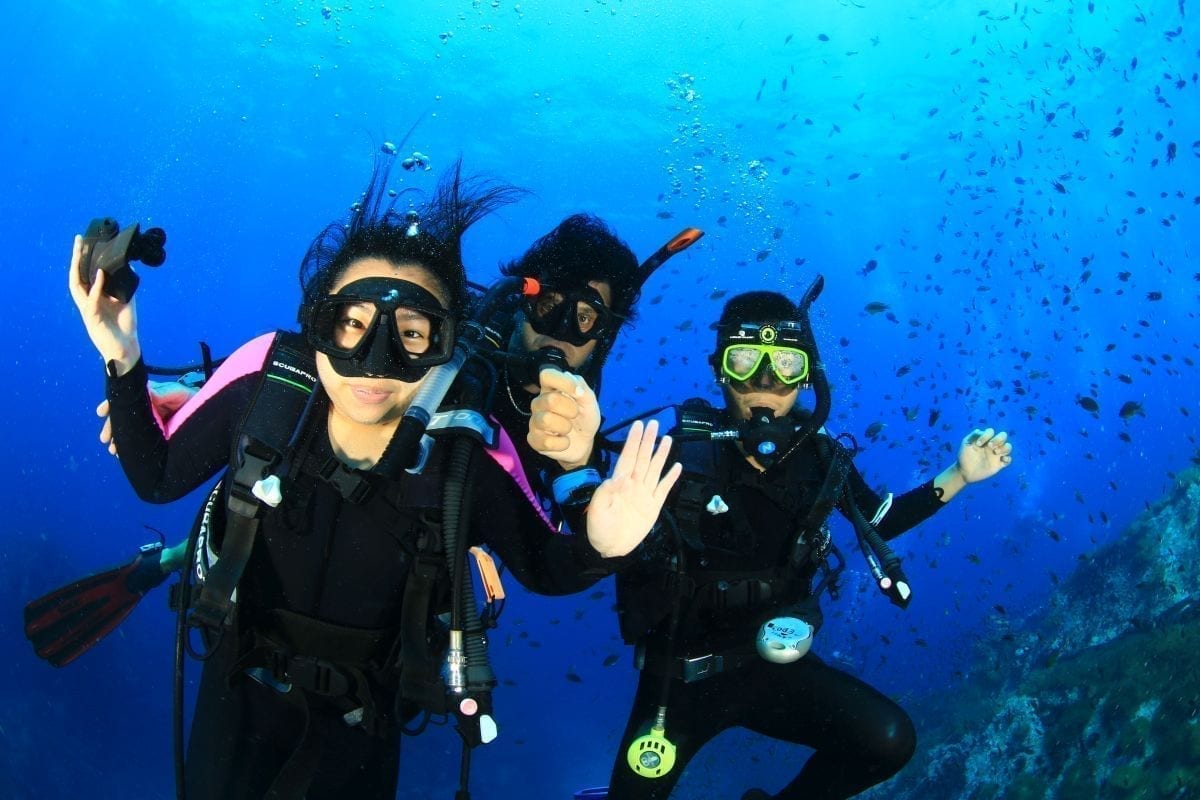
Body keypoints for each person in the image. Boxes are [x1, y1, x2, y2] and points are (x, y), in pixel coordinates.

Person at [66, 156, 681, 800]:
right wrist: (122, 356)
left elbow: (549, 564)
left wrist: (604, 539)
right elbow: (161, 475)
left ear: (442, 346)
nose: (375, 360)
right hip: (238, 680)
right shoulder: (273, 378)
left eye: (412, 334)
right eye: (353, 325)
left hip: (367, 713)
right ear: (317, 323)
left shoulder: (467, 444)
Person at [603, 281, 1014, 800]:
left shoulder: (820, 457)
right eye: (746, 360)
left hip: (772, 667)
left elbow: (878, 522)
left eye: (788, 366)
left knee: (888, 741)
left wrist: (959, 473)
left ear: (809, 377)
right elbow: (601, 544)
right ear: (718, 369)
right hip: (675, 685)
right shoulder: (672, 451)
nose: (767, 382)